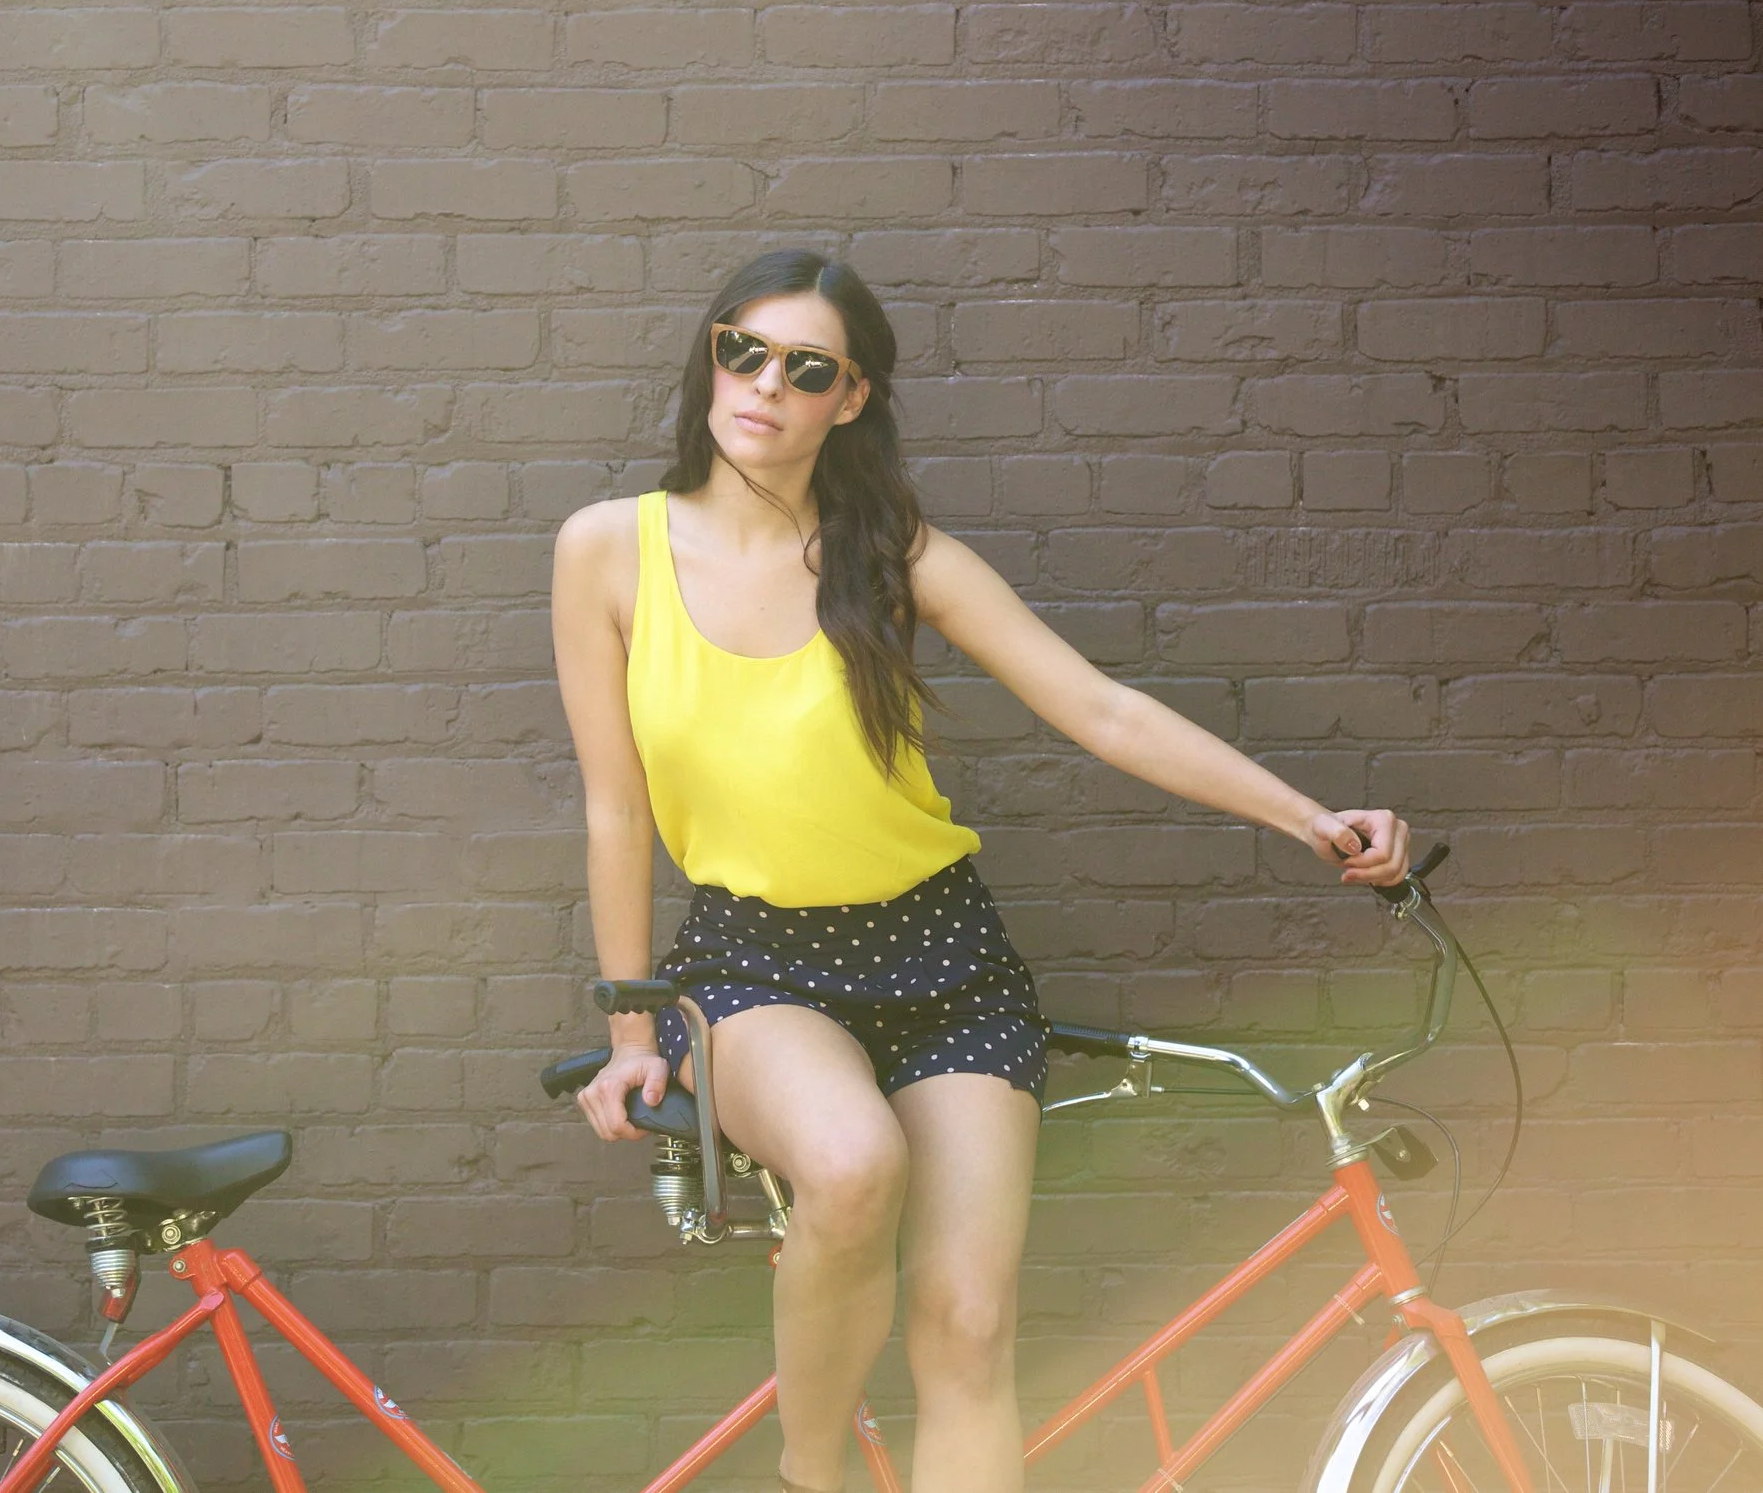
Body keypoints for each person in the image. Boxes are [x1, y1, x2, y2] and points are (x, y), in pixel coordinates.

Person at [549, 250, 1410, 1493]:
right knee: (852, 1162)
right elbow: (616, 805)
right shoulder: (606, 550)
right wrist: (632, 1029)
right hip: (753, 963)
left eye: (807, 369)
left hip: (943, 960)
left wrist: (1309, 816)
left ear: (849, 398)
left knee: (965, 1323)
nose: (765, 386)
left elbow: (1099, 708)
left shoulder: (888, 552)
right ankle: (811, 1476)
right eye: (743, 350)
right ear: (712, 356)